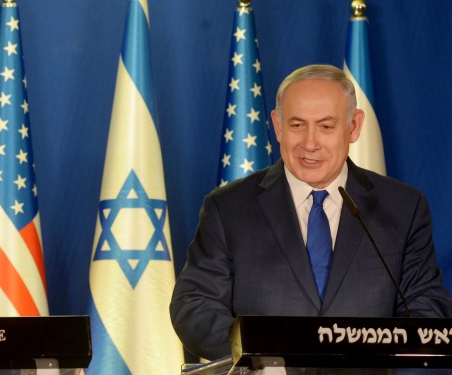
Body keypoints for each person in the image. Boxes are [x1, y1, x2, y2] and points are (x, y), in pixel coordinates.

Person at [169, 64, 452, 360]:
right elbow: (195, 307)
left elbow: (426, 309)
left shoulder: (403, 207)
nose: (310, 143)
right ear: (278, 126)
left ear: (354, 126)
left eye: (326, 126)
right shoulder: (228, 208)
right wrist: (259, 356)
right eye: (297, 125)